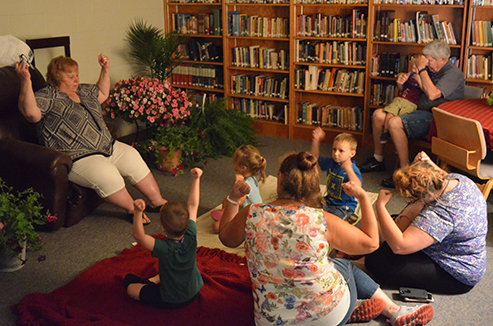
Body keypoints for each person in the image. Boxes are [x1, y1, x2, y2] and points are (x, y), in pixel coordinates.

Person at [218, 151, 433, 326]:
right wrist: (365, 199)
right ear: (314, 186)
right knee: (343, 266)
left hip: (270, 321)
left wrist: (234, 199)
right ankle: (394, 311)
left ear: (280, 179)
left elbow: (226, 238)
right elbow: (371, 242)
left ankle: (353, 314)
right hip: (326, 317)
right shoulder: (322, 219)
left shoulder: (253, 213)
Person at [15, 55, 167, 224]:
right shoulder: (48, 96)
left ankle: (157, 201)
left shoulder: (84, 91)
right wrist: (25, 80)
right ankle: (133, 209)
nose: (76, 80)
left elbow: (102, 93)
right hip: (79, 157)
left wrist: (105, 69)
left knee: (133, 157)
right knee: (108, 175)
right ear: (57, 77)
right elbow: (30, 113)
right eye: (71, 77)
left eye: (77, 75)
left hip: (108, 147)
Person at [366, 151, 487, 294]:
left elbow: (400, 246)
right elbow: (440, 174)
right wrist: (429, 163)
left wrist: (380, 206)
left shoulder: (439, 214)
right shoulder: (458, 179)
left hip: (457, 273)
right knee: (393, 224)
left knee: (376, 261)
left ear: (426, 196)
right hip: (465, 251)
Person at [359, 40, 464, 188]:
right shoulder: (430, 69)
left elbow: (432, 94)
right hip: (417, 109)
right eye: (425, 60)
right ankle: (378, 159)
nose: (427, 64)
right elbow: (413, 93)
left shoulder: (453, 73)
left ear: (443, 59)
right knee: (378, 115)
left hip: (436, 118)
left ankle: (405, 171)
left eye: (430, 61)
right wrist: (401, 84)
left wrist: (421, 70)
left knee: (394, 122)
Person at [124, 167, 204, 308]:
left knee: (130, 286)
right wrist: (196, 179)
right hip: (194, 290)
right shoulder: (191, 232)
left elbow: (140, 237)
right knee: (169, 271)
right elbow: (193, 205)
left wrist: (137, 212)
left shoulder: (164, 248)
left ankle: (152, 283)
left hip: (172, 299)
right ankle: (154, 280)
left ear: (162, 228)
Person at [310, 128, 362, 221]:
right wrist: (316, 140)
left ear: (352, 153)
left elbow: (358, 188)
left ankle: (349, 216)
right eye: (334, 149)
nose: (336, 153)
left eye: (341, 151)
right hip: (328, 201)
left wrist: (348, 169)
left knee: (332, 222)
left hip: (343, 206)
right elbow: (314, 159)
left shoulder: (353, 169)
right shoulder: (332, 162)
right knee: (310, 212)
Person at [212, 145, 266, 233]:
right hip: (258, 214)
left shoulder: (245, 185)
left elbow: (239, 201)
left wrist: (238, 185)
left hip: (251, 218)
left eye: (234, 161)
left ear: (243, 168)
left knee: (217, 226)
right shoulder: (252, 178)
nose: (232, 161)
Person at [379, 57, 423, 144]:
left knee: (400, 118)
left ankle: (397, 138)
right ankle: (385, 131)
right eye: (413, 68)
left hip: (411, 103)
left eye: (418, 68)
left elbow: (424, 89)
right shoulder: (410, 75)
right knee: (390, 111)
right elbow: (401, 80)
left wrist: (419, 79)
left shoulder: (423, 78)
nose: (415, 71)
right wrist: (400, 79)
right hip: (401, 98)